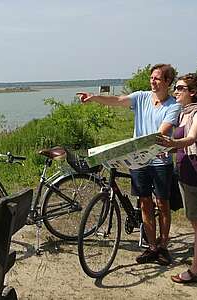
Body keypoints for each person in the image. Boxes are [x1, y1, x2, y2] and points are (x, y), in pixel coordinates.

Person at [77, 64, 181, 265]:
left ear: (168, 82)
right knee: (144, 202)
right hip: (138, 161)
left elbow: (162, 131)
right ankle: (152, 247)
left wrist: (148, 146)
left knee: (162, 203)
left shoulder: (173, 105)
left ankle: (163, 246)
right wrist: (94, 98)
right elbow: (117, 100)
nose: (152, 81)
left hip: (160, 161)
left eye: (157, 78)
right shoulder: (142, 97)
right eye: (151, 77)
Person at [157, 73, 197, 283]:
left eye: (180, 88)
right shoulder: (185, 113)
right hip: (186, 172)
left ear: (192, 92)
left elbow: (192, 138)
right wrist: (168, 149)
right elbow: (180, 141)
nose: (176, 91)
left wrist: (170, 145)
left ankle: (196, 271)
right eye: (176, 87)